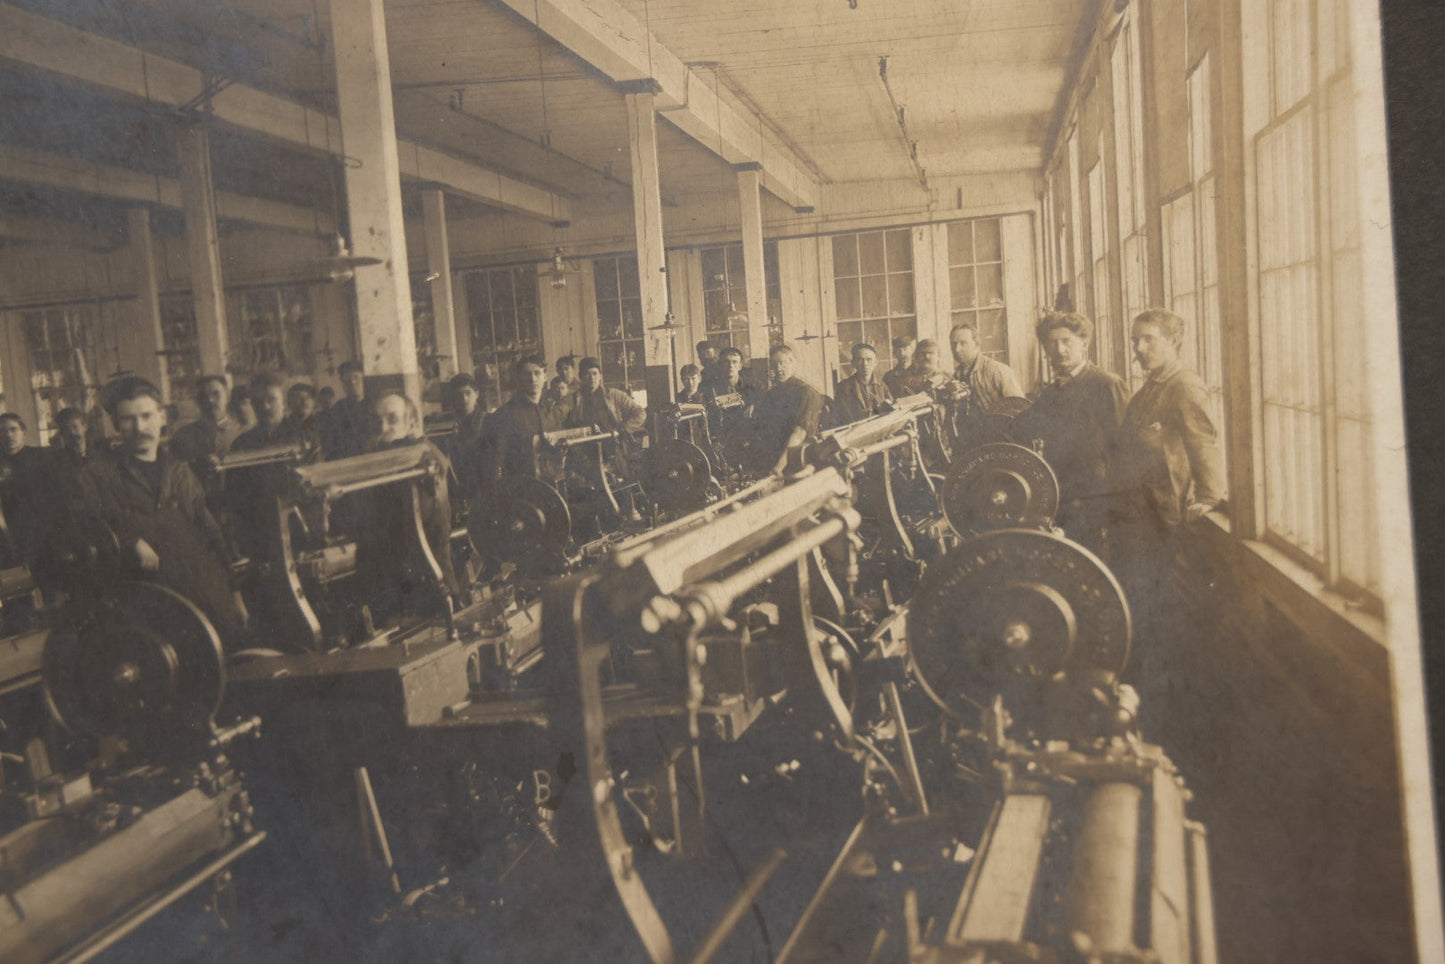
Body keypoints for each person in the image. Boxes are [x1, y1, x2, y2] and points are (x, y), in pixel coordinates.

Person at [77, 377, 243, 643]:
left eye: (146, 415)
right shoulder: (98, 476)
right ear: (117, 424)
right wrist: (128, 543)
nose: (139, 427)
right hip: (145, 608)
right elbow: (84, 531)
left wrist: (235, 592)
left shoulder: (179, 472)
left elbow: (210, 531)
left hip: (201, 593)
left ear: (162, 416)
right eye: (128, 419)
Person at [1012, 313, 1127, 558]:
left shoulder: (1106, 384)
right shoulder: (1054, 390)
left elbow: (1126, 447)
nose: (1059, 350)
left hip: (1097, 497)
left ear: (1084, 343)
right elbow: (1025, 426)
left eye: (1066, 341)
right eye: (1051, 344)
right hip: (1064, 494)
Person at [476, 354, 560, 486]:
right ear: (519, 378)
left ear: (545, 377)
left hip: (551, 483)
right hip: (521, 486)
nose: (532, 379)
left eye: (537, 373)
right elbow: (496, 461)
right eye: (527, 374)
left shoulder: (550, 411)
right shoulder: (505, 414)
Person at [749, 345, 823, 475]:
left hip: (798, 461)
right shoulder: (771, 394)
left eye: (782, 363)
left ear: (793, 363)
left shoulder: (806, 393)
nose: (778, 369)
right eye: (774, 364)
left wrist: (778, 467)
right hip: (773, 460)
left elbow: (799, 433)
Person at [949, 323, 1025, 416]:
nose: (957, 349)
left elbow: (1019, 408)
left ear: (976, 345)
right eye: (953, 344)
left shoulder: (997, 371)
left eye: (963, 343)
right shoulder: (956, 376)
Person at [832, 342, 894, 426]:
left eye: (869, 359)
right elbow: (846, 417)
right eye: (860, 360)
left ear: (875, 363)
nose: (865, 364)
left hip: (880, 429)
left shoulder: (881, 386)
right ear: (853, 363)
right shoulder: (844, 387)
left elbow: (892, 408)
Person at [319, 361, 369, 460]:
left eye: (356, 377)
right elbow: (332, 444)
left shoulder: (376, 405)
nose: (352, 382)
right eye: (347, 379)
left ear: (363, 379)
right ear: (342, 383)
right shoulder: (337, 410)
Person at [281, 382, 322, 457]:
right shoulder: (282, 428)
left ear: (313, 402)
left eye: (308, 397)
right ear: (289, 403)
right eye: (298, 397)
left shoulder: (323, 423)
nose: (304, 401)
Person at [881, 334, 917, 398]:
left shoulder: (920, 372)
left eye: (905, 349)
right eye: (899, 350)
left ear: (912, 350)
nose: (902, 353)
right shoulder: (888, 376)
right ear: (895, 353)